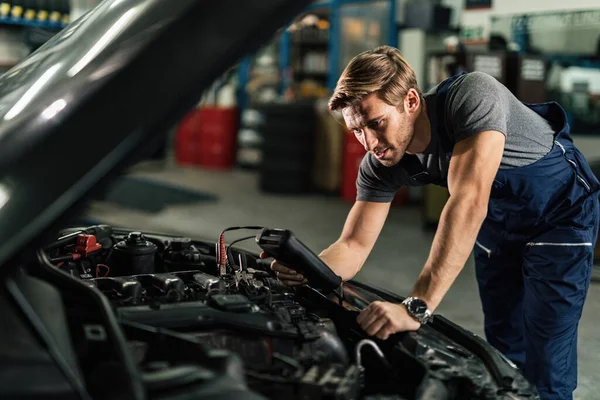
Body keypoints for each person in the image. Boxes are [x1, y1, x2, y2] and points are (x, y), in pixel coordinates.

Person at [263, 45, 600, 400]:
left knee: (546, 356)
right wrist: (307, 268)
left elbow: (468, 201)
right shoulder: (380, 163)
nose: (370, 143)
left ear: (410, 101)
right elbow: (353, 246)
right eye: (357, 130)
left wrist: (416, 306)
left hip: (560, 214)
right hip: (499, 223)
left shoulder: (471, 97)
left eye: (377, 124)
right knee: (504, 346)